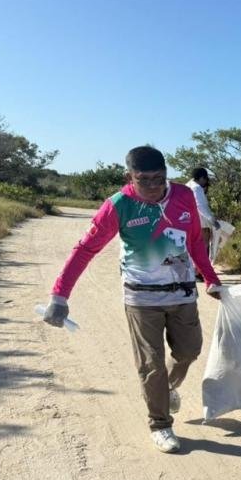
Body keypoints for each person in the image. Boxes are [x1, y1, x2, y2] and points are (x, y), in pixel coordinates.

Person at [42, 146, 222, 453]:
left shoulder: (183, 195)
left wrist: (212, 278)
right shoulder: (119, 205)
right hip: (141, 298)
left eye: (159, 178)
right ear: (129, 177)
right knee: (151, 364)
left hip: (182, 294)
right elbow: (86, 249)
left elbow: (193, 240)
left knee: (189, 351)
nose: (153, 187)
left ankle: (166, 389)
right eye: (144, 180)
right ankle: (160, 424)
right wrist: (60, 295)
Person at [186, 166, 219, 272]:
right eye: (205, 179)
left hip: (189, 221)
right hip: (200, 222)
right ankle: (198, 271)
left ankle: (195, 270)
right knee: (202, 247)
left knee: (193, 247)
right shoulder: (197, 188)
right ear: (201, 178)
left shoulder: (188, 185)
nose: (205, 182)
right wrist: (212, 220)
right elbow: (200, 205)